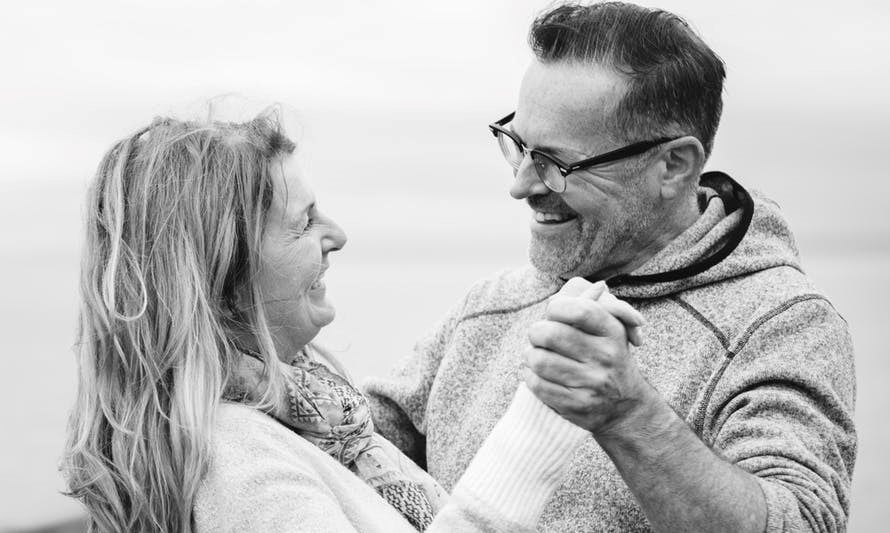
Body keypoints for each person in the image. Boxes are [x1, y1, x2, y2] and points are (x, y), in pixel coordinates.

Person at [363, 2, 857, 532]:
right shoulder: (489, 307)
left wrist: (630, 414)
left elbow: (803, 523)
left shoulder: (781, 324)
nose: (521, 185)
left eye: (555, 163)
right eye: (518, 145)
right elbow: (351, 445)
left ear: (673, 165)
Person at [63, 111, 654, 532]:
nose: (337, 236)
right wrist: (541, 419)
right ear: (224, 273)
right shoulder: (237, 463)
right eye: (303, 221)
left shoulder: (320, 424)